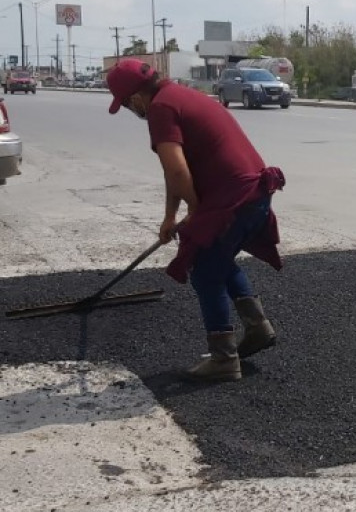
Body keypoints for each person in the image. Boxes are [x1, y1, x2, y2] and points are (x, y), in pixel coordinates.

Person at [105, 58, 286, 382]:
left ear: (135, 98)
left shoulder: (160, 108)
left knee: (204, 271)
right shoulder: (183, 95)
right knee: (217, 258)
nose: (134, 111)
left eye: (128, 105)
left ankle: (224, 359)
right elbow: (174, 169)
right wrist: (172, 216)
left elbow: (176, 170)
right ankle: (258, 328)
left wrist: (196, 211)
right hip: (254, 195)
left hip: (236, 200)